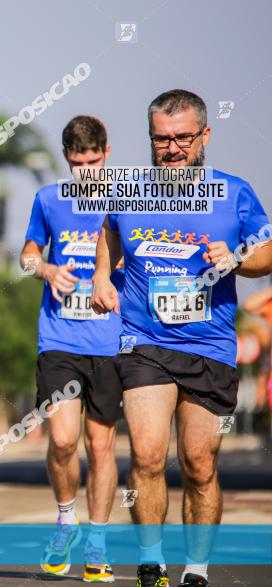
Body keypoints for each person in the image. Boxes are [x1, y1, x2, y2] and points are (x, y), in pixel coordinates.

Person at [91, 89, 272, 587]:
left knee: (198, 462)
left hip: (209, 344)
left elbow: (267, 252)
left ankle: (196, 569)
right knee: (147, 455)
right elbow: (108, 231)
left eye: (183, 139)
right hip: (143, 340)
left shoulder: (234, 192)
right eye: (161, 139)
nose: (172, 149)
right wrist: (102, 276)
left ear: (204, 137)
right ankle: (151, 562)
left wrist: (236, 257)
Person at [21, 115, 123, 583]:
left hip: (112, 340)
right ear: (67, 157)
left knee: (100, 445)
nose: (88, 172)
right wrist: (44, 270)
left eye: (95, 161)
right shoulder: (48, 200)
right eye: (79, 162)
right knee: (62, 440)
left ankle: (98, 542)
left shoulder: (129, 200)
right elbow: (26, 255)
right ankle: (66, 518)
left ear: (107, 153)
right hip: (60, 337)